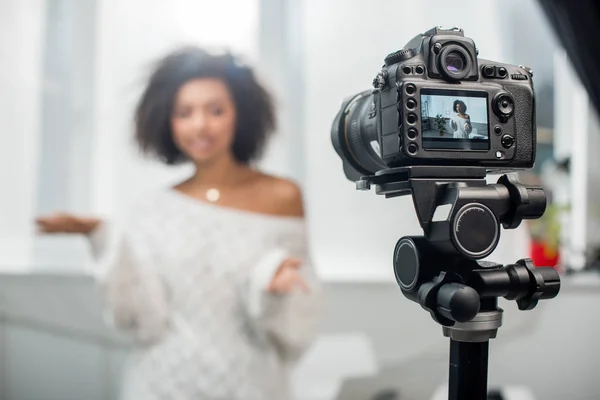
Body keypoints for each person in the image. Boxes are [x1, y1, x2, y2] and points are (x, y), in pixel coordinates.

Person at [35, 46, 324, 400]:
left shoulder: (281, 196)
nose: (200, 125)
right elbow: (142, 319)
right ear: (166, 122)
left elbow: (301, 321)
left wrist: (273, 289)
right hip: (161, 385)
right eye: (184, 113)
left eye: (215, 110)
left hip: (252, 386)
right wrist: (100, 235)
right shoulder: (151, 209)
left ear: (241, 113)